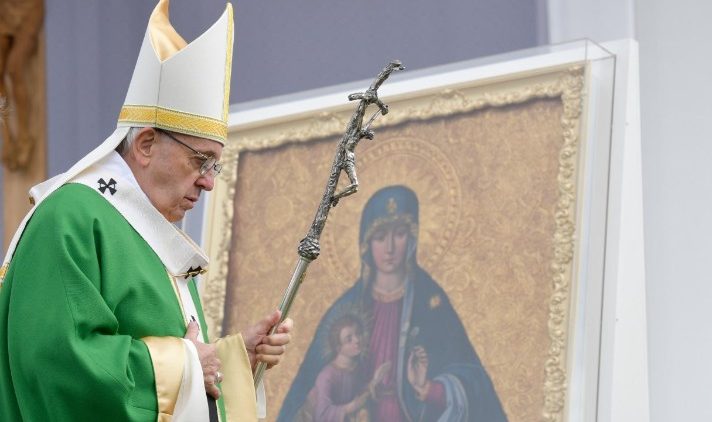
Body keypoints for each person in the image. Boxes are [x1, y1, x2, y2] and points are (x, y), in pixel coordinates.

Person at [0, 1, 292, 421]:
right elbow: (57, 366)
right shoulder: (72, 217)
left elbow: (181, 366)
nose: (210, 181)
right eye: (200, 161)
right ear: (146, 143)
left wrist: (231, 360)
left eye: (216, 166)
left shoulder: (155, 235)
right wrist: (189, 367)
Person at [279, 185, 507, 421]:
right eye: (380, 237)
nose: (389, 248)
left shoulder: (431, 303)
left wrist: (429, 388)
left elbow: (472, 381)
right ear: (366, 245)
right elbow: (307, 394)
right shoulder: (346, 308)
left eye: (399, 234)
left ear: (412, 239)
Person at [300, 313, 390, 422]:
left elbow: (357, 393)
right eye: (349, 339)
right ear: (338, 347)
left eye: (358, 333)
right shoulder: (327, 376)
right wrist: (351, 407)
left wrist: (374, 381)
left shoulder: (356, 368)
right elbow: (322, 415)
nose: (357, 340)